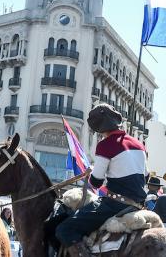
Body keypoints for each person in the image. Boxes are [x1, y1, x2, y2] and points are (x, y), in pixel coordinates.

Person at [54, 104, 148, 252]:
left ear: (98, 128)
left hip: (114, 205)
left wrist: (90, 173)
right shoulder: (139, 144)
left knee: (64, 229)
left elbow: (96, 182)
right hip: (139, 205)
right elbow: (145, 177)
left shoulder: (105, 145)